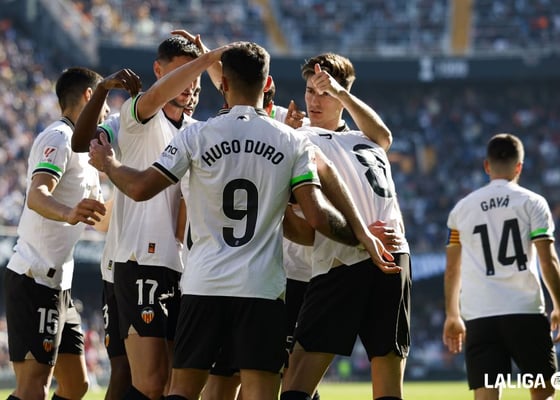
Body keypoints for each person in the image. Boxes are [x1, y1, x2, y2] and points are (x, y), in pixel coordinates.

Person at [88, 41, 395, 400]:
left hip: (204, 285)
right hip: (261, 289)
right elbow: (317, 214)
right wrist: (360, 235)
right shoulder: (291, 141)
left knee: (182, 389)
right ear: (267, 85)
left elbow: (140, 188)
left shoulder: (196, 134)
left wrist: (109, 164)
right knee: (259, 392)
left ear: (223, 85)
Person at [82, 36, 220, 400]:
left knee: (165, 380)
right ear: (159, 72)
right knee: (149, 381)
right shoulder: (138, 114)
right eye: (181, 73)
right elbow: (85, 141)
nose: (190, 83)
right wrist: (208, 59)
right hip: (138, 258)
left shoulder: (196, 131)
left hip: (174, 264)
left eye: (196, 76)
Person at [281, 53, 411, 400]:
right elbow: (384, 135)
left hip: (350, 259)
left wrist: (340, 94)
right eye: (310, 91)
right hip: (387, 253)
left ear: (342, 96)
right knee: (383, 371)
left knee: (298, 380)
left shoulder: (345, 139)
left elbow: (384, 135)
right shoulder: (356, 140)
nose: (313, 100)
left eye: (324, 93)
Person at [3, 66, 107, 400]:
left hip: (60, 284)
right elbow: (37, 196)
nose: (107, 114)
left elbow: (100, 218)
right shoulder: (59, 137)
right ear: (89, 96)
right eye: (104, 104)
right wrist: (68, 213)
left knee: (77, 386)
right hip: (35, 277)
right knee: (34, 389)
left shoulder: (88, 151)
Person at [443, 133, 560, 400]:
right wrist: (559, 304)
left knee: (486, 394)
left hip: (480, 315)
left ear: (487, 165)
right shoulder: (533, 203)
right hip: (524, 310)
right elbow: (548, 260)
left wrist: (452, 314)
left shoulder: (461, 210)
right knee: (543, 390)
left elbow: (452, 268)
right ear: (519, 167)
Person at [72, 67, 142, 399]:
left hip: (162, 264)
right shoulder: (115, 131)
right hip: (120, 269)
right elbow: (100, 223)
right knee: (127, 372)